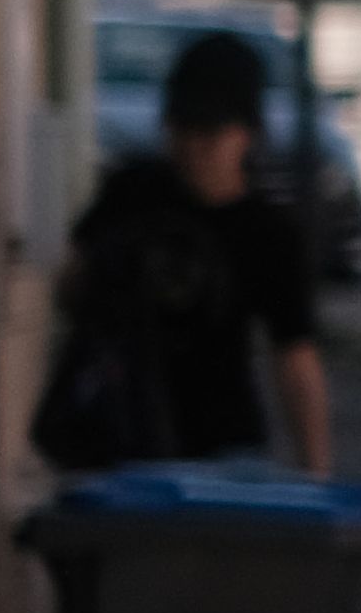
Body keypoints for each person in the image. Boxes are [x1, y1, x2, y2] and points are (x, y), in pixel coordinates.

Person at [39, 30, 332, 472]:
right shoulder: (132, 193)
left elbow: (294, 356)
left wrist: (316, 474)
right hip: (117, 440)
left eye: (209, 133)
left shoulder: (267, 233)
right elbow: (70, 288)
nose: (193, 149)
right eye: (182, 130)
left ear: (245, 134)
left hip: (221, 445)